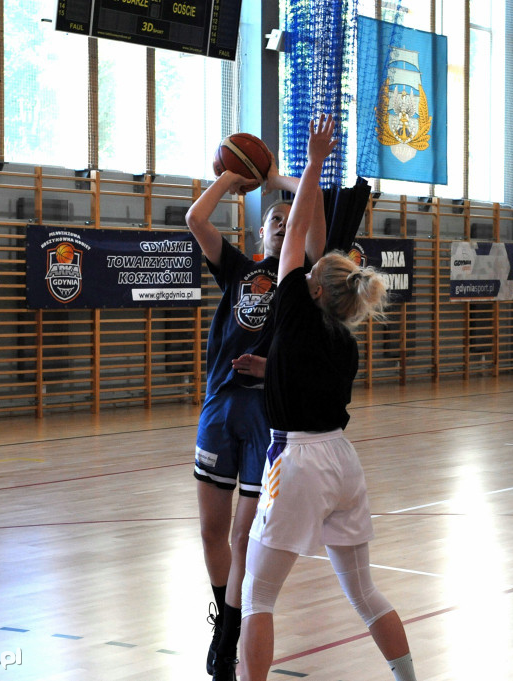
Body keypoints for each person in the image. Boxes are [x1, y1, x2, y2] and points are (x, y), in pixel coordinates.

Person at [238, 114, 419, 681]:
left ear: (313, 287)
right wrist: (269, 368)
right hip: (342, 460)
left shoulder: (292, 305)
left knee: (258, 596)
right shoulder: (342, 338)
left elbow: (292, 236)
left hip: (295, 461)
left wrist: (313, 162)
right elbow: (305, 376)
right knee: (364, 591)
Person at [185, 150, 327, 681]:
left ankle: (233, 630)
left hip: (267, 418)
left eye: (290, 221)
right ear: (259, 229)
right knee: (210, 533)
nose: (282, 224)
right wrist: (233, 175)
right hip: (219, 409)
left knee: (243, 537)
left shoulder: (303, 281)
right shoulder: (238, 270)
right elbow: (195, 219)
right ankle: (224, 616)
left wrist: (277, 179)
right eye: (273, 218)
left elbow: (317, 213)